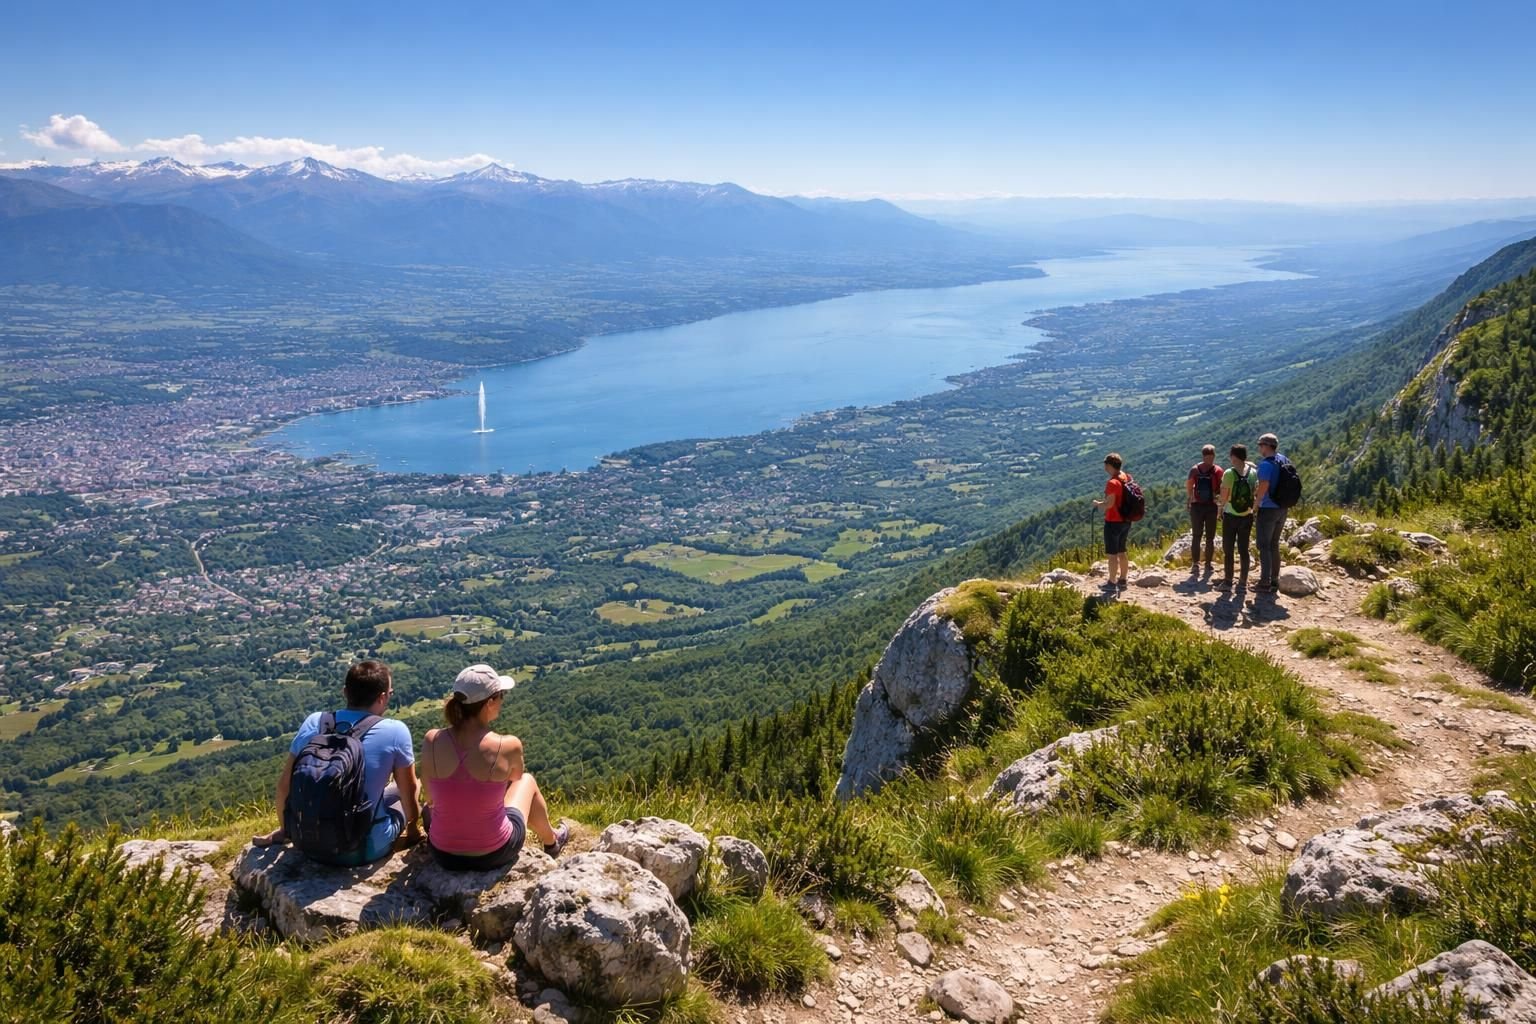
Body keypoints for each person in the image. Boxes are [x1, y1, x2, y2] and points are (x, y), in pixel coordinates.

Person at [253, 660, 421, 864]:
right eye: (390, 694)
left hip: (308, 845)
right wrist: (413, 829)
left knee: (389, 791)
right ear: (383, 697)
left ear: (345, 692)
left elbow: (283, 787)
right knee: (412, 787)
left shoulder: (315, 722)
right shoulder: (396, 730)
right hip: (364, 850)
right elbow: (408, 791)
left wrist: (286, 830)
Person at [419, 664, 569, 871]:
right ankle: (552, 841)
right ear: (489, 702)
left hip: (443, 854)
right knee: (527, 781)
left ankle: (551, 838)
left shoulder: (432, 740)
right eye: (501, 695)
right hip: (494, 852)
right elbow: (514, 778)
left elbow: (430, 798)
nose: (502, 701)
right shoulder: (508, 745)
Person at [1217, 443, 1258, 588]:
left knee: (1228, 550)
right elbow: (1254, 492)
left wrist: (1219, 510)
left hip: (1231, 515)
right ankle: (1243, 581)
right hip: (1247, 515)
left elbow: (1224, 496)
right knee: (1244, 550)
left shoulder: (1229, 473)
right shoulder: (1253, 473)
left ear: (1233, 456)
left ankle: (1228, 581)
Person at [1253, 432, 1290, 594]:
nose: (1259, 448)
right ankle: (1274, 579)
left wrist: (1255, 505)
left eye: (1261, 445)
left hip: (1268, 509)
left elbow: (1263, 487)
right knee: (1274, 544)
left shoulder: (1266, 464)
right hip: (1282, 507)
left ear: (1267, 446)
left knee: (1264, 545)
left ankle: (1264, 582)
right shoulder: (1283, 459)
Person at [1092, 452, 1132, 590]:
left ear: (1109, 465)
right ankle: (1123, 580)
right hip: (1126, 520)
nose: (1104, 466)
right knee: (1122, 551)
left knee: (1112, 554)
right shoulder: (1126, 477)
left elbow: (1109, 504)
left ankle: (1111, 582)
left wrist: (1098, 504)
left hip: (1113, 521)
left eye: (1105, 464)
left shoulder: (1112, 482)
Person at [1185, 444, 1225, 573]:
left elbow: (1189, 485)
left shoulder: (1194, 469)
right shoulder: (1218, 470)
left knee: (1196, 536)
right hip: (1211, 506)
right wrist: (1219, 501)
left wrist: (1191, 499)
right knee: (1210, 537)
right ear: (1213, 455)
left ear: (1202, 455)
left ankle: (1195, 564)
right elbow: (1223, 488)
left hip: (1197, 506)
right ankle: (1208, 564)